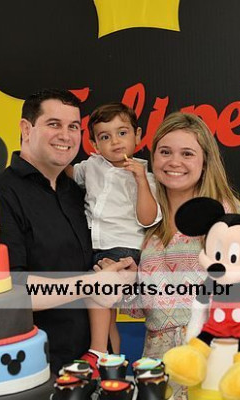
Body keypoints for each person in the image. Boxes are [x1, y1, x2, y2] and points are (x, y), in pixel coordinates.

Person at [0, 89, 136, 373]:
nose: (66, 135)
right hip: (38, 368)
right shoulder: (1, 194)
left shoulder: (78, 190)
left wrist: (123, 269)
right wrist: (92, 283)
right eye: (54, 124)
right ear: (26, 129)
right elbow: (12, 291)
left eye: (73, 127)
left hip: (99, 366)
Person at [118, 112, 240, 400]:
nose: (174, 162)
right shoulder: (146, 217)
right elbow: (143, 309)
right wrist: (127, 281)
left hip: (213, 356)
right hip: (159, 362)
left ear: (205, 161)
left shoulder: (226, 215)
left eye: (187, 153)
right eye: (165, 152)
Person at [65, 103, 161, 370]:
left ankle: (96, 351)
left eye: (122, 133)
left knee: (97, 290)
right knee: (107, 317)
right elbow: (67, 172)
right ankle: (112, 362)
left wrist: (141, 181)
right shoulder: (91, 166)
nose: (115, 141)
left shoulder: (146, 175)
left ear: (137, 135)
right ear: (94, 144)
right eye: (105, 137)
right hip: (93, 246)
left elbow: (147, 219)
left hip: (124, 249)